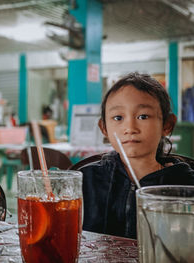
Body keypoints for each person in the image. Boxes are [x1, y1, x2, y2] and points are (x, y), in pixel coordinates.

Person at [79, 72, 194, 239]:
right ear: (104, 128)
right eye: (118, 117)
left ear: (167, 125)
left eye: (143, 116)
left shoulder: (186, 184)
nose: (130, 128)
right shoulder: (86, 180)